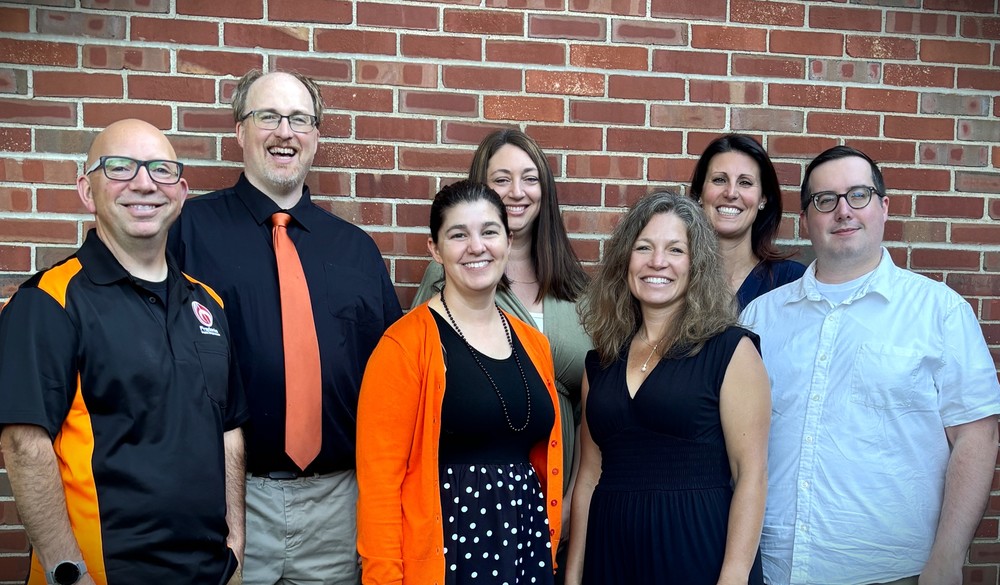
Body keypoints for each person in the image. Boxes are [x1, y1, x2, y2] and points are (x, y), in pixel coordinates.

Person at [168, 70, 402, 585]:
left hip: (336, 505)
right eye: (268, 116)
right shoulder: (187, 232)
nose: (285, 131)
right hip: (227, 501)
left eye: (300, 119)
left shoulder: (356, 250)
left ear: (316, 136)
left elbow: (391, 380)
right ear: (239, 131)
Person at [0, 119, 247, 585]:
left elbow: (229, 431)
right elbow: (23, 445)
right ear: (87, 191)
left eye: (161, 169)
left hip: (208, 573)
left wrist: (235, 547)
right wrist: (66, 574)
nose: (144, 182)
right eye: (120, 167)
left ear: (181, 192)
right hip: (105, 574)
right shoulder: (49, 301)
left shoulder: (206, 304)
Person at [741, 145, 1000, 585]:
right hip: (773, 568)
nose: (843, 211)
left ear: (883, 207)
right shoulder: (760, 319)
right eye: (825, 200)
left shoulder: (939, 311)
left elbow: (976, 436)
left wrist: (948, 558)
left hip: (893, 571)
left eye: (858, 195)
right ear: (805, 221)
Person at [357, 180, 563, 585]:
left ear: (507, 240)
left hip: (524, 545)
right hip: (448, 553)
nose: (476, 246)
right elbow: (379, 486)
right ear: (435, 249)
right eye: (458, 235)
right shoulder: (404, 345)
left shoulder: (533, 344)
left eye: (489, 231)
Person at [566, 192, 769, 585]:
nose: (657, 262)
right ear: (626, 259)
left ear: (696, 266)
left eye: (675, 250)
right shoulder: (601, 361)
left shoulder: (731, 350)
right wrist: (574, 575)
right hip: (610, 556)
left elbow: (751, 475)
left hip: (697, 550)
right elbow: (588, 478)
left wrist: (734, 576)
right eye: (644, 247)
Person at [412, 129, 589, 530]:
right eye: (501, 179)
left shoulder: (578, 289)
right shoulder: (445, 274)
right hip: (469, 491)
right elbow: (422, 383)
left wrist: (578, 492)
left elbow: (591, 407)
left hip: (561, 483)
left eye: (530, 178)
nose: (517, 191)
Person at [689, 134, 805, 309]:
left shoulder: (793, 282)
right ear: (699, 194)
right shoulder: (675, 276)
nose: (731, 193)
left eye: (745, 182)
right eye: (719, 180)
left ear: (763, 199)